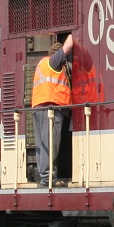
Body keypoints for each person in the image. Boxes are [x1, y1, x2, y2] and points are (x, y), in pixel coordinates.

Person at [31, 35, 74, 187]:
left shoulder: (42, 64)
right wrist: (73, 35)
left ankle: (44, 177)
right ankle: (47, 179)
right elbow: (68, 45)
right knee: (51, 144)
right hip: (50, 110)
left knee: (42, 144)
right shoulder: (53, 62)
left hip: (39, 107)